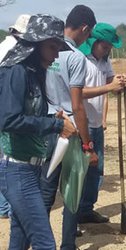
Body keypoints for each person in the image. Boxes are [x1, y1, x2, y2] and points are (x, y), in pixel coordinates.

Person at [0, 14, 76, 250]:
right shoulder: (18, 72)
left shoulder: (34, 73)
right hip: (17, 169)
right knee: (45, 243)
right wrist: (54, 125)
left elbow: (28, 116)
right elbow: (9, 119)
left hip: (31, 168)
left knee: (20, 239)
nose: (56, 54)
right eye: (52, 47)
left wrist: (51, 119)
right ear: (36, 44)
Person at [39, 5, 98, 250]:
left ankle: (38, 238)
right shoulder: (75, 57)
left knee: (45, 190)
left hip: (46, 126)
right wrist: (87, 144)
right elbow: (78, 105)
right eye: (89, 33)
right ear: (84, 28)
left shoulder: (44, 51)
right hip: (70, 130)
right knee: (72, 190)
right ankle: (67, 245)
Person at [77, 22, 126, 224]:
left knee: (96, 170)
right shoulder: (80, 58)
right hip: (83, 124)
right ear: (94, 41)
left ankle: (86, 209)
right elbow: (78, 93)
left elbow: (110, 80)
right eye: (105, 46)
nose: (107, 50)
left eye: (109, 47)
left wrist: (121, 82)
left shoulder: (104, 60)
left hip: (97, 123)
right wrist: (109, 87)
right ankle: (73, 214)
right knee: (80, 170)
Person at [0, 14, 31, 219]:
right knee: (7, 155)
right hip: (7, 108)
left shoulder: (3, 45)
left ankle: (4, 206)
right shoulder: (15, 52)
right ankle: (8, 206)